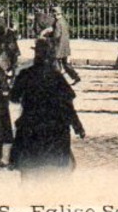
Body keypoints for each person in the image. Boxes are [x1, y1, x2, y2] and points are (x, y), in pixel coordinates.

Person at [9, 39, 85, 172]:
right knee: (66, 166)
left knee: (20, 155)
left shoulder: (25, 75)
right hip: (55, 133)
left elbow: (13, 97)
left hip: (31, 130)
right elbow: (68, 106)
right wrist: (78, 127)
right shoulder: (57, 77)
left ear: (36, 55)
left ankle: (14, 164)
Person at [41, 3, 79, 85]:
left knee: (56, 64)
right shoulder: (63, 21)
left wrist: (47, 38)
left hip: (58, 47)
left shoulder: (58, 23)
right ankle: (75, 77)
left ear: (56, 13)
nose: (52, 15)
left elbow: (56, 36)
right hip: (65, 45)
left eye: (53, 13)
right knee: (66, 64)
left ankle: (58, 81)